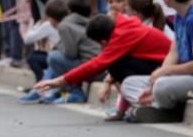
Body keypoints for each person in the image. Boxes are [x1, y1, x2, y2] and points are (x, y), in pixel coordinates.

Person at [33, 12, 171, 99]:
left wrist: (59, 81)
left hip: (166, 67)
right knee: (116, 66)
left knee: (116, 66)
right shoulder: (123, 26)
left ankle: (144, 100)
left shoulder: (121, 35)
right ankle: (127, 106)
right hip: (160, 64)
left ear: (103, 41)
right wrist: (107, 82)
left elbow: (96, 65)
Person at [120, 0, 193, 123]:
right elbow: (174, 51)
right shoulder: (180, 16)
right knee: (129, 83)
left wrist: (167, 72)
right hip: (180, 77)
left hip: (188, 77)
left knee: (162, 85)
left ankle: (165, 109)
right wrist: (160, 74)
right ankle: (159, 107)